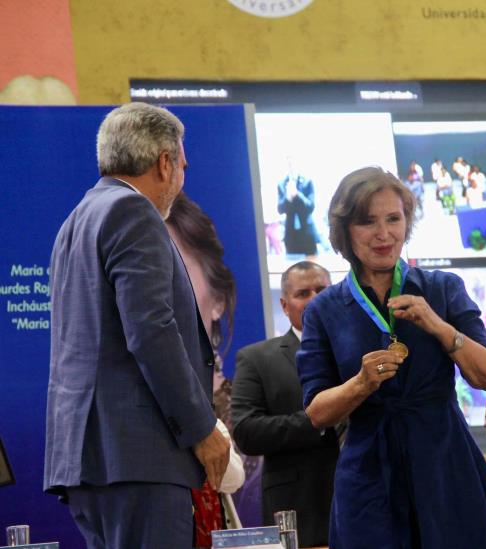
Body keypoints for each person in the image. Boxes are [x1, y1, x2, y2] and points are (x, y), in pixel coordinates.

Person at [297, 166, 486, 549]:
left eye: (393, 219)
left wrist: (438, 325)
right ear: (345, 230)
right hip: (368, 473)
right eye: (368, 222)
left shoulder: (444, 288)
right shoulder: (324, 309)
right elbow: (317, 412)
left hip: (444, 461)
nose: (384, 234)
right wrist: (361, 384)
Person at [44, 102, 230, 549]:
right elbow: (151, 332)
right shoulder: (134, 212)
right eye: (182, 165)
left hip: (91, 463)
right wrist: (202, 428)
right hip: (138, 458)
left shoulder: (77, 220)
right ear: (164, 164)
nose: (182, 177)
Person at [231, 261, 339, 548]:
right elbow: (246, 432)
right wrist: (315, 420)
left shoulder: (363, 352)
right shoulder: (257, 358)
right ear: (285, 305)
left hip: (371, 501)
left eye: (322, 290)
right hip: (299, 511)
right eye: (303, 293)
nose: (314, 299)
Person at [166, 192, 245, 547]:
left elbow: (231, 477)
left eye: (171, 269)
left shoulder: (239, 406)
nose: (153, 288)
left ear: (217, 301)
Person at [277, 161, 318, 256]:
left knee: (311, 265)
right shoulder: (282, 184)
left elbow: (310, 207)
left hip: (307, 233)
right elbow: (280, 209)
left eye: (293, 162)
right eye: (288, 162)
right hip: (290, 234)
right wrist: (287, 198)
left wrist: (297, 195)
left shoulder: (307, 182)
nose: (291, 165)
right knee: (292, 267)